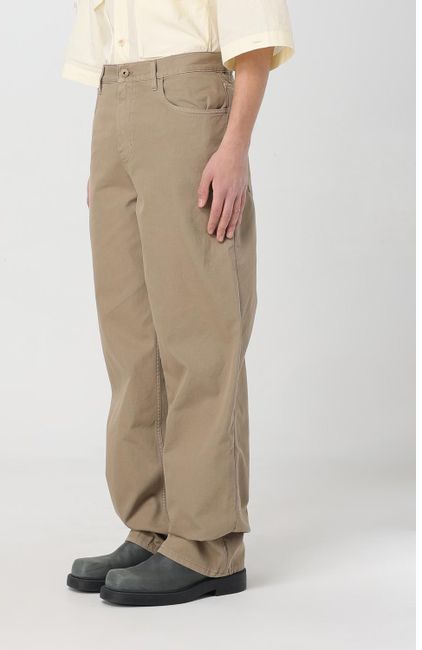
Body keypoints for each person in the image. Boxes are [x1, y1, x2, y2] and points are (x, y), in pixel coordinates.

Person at [63, 0, 294, 607]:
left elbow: (254, 36)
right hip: (115, 101)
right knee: (132, 341)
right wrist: (114, 148)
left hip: (189, 100)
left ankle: (209, 546)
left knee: (200, 333)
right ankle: (154, 526)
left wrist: (235, 146)